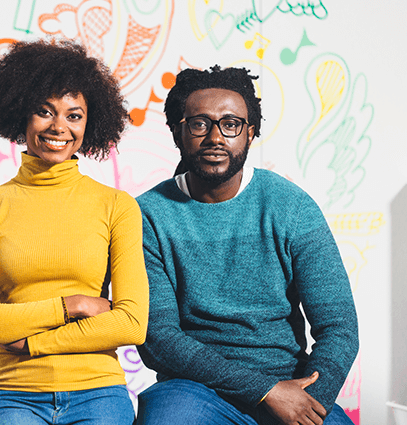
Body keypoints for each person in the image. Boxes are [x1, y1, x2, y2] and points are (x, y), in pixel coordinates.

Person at [135, 65, 358, 425]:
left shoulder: (291, 206)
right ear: (178, 132)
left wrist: (306, 402)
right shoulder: (148, 215)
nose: (215, 137)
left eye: (231, 124)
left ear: (250, 133)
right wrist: (263, 390)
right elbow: (159, 338)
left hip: (293, 386)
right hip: (195, 390)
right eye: (199, 123)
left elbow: (339, 327)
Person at [0, 38, 148, 425]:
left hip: (98, 390)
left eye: (74, 115)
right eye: (45, 112)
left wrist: (24, 337)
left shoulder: (117, 207)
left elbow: (131, 323)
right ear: (21, 113)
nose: (60, 127)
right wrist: (73, 305)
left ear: (90, 123)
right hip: (13, 393)